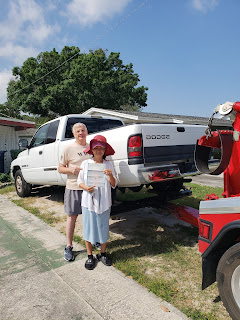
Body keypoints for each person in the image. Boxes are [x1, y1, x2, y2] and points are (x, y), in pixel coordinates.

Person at [77, 135, 117, 270]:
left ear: (105, 150)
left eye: (101, 148)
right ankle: (90, 256)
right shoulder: (85, 164)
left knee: (103, 228)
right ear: (92, 150)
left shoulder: (108, 164)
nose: (98, 151)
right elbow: (79, 181)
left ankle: (103, 254)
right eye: (96, 148)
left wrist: (110, 175)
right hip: (88, 202)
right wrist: (86, 188)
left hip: (104, 202)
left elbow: (114, 184)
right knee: (88, 229)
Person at [58, 123, 91, 261]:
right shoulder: (68, 149)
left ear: (87, 132)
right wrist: (70, 170)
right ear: (74, 134)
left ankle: (92, 240)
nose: (80, 133)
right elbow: (60, 168)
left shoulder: (92, 148)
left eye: (83, 130)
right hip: (74, 187)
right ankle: (69, 246)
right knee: (72, 217)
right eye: (77, 131)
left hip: (90, 188)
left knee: (90, 217)